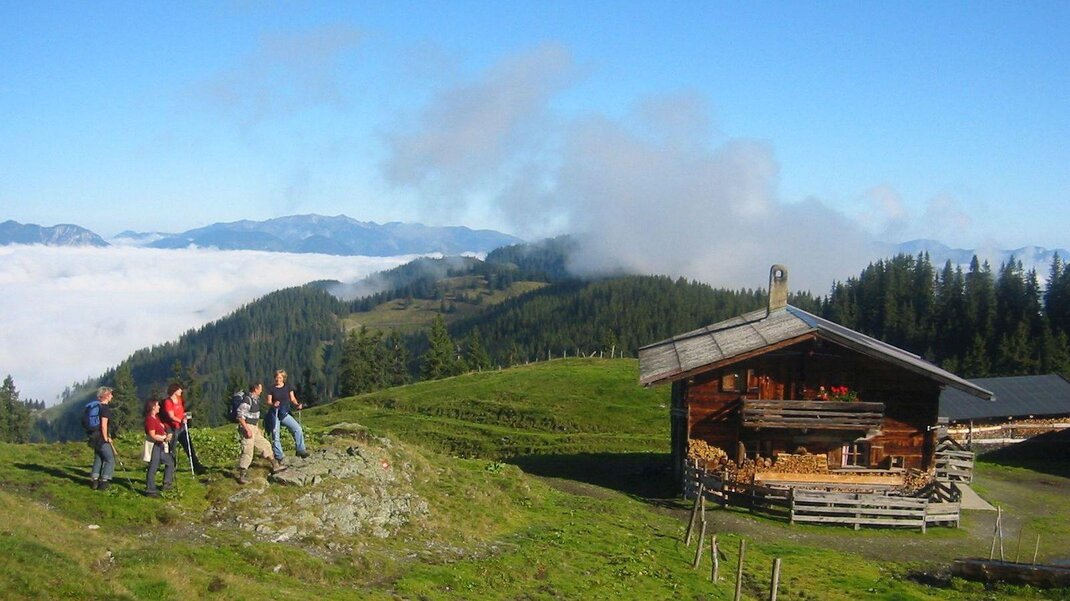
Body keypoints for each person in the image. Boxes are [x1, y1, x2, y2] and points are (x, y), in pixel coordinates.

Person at [236, 382, 286, 484]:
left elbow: (255, 416)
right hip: (247, 427)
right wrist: (247, 429)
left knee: (265, 445)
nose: (261, 390)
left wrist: (257, 428)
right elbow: (240, 416)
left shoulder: (256, 400)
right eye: (260, 388)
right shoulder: (247, 400)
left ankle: (275, 465)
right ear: (256, 389)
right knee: (248, 451)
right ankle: (242, 475)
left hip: (254, 427)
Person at [162, 383, 206, 474]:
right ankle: (171, 468)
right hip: (172, 428)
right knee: (172, 449)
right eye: (179, 389)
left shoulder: (179, 399)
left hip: (181, 427)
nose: (181, 391)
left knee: (189, 447)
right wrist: (180, 420)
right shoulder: (168, 402)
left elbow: (181, 411)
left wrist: (185, 417)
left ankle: (196, 466)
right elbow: (171, 416)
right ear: (174, 391)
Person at [266, 369, 309, 464]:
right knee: (275, 434)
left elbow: (292, 398)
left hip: (284, 412)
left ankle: (300, 449)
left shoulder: (288, 387)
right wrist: (273, 404)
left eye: (280, 377)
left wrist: (297, 404)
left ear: (283, 378)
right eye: (276, 377)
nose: (277, 379)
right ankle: (279, 455)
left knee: (297, 428)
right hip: (275, 413)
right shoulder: (271, 388)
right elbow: (268, 401)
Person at [143, 399, 175, 497]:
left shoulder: (155, 418)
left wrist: (167, 434)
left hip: (160, 445)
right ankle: (150, 490)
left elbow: (162, 427)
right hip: (154, 446)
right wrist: (164, 438)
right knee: (153, 467)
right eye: (157, 405)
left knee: (170, 462)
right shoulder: (150, 419)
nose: (159, 407)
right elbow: (152, 435)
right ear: (153, 407)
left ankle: (167, 484)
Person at [87, 386, 115, 490]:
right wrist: (106, 437)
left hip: (93, 436)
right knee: (110, 459)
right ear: (106, 395)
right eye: (110, 394)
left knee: (98, 457)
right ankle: (104, 481)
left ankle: (94, 480)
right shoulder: (105, 408)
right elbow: (104, 425)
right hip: (101, 438)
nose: (112, 396)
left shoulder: (96, 407)